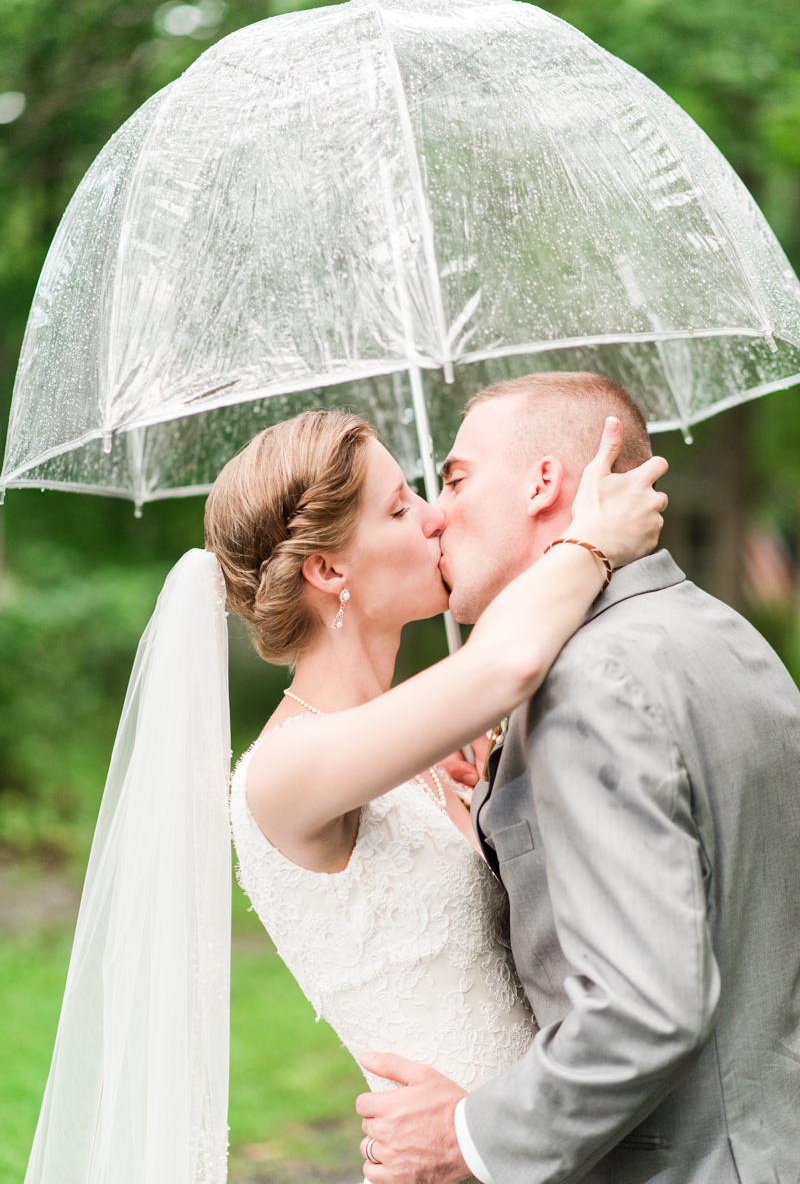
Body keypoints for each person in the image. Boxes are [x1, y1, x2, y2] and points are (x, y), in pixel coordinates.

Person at [24, 391, 666, 1184]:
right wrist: (593, 539)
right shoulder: (281, 772)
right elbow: (508, 664)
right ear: (330, 569)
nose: (435, 518)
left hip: (526, 1146)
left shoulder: (419, 752)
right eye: (400, 509)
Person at [357, 372, 800, 1184]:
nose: (437, 512)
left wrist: (467, 1137)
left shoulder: (584, 683)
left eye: (455, 479)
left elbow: (642, 1007)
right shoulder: (727, 636)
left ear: (542, 484)